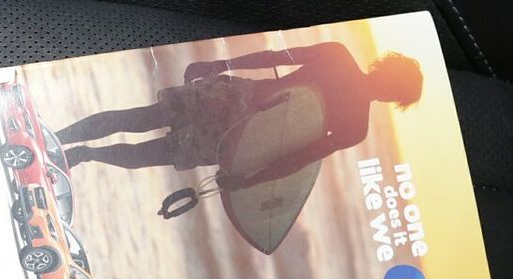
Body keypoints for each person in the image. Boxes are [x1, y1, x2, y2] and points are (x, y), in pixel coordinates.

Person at [56, 43, 423, 190]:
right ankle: (83, 155)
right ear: (394, 97)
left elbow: (272, 58)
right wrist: (248, 179)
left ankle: (59, 138)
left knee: (140, 117)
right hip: (238, 134)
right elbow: (295, 158)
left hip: (231, 97)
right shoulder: (356, 127)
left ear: (384, 66)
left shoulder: (338, 55)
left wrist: (221, 63)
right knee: (153, 153)